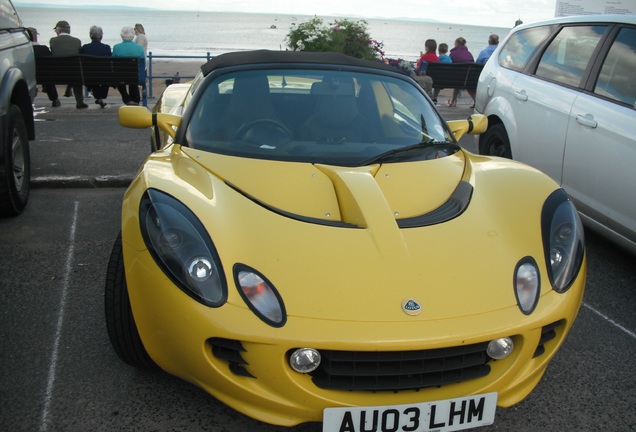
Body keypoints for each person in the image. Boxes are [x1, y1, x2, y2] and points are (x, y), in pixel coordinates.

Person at [49, 20, 88, 109]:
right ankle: (79, 101)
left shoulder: (53, 41)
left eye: (56, 30)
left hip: (56, 74)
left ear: (58, 30)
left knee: (66, 70)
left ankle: (55, 100)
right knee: (75, 72)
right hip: (74, 74)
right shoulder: (77, 41)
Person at [28, 27, 61, 107]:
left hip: (28, 77)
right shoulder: (44, 49)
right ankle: (54, 99)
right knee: (47, 73)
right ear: (35, 37)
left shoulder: (23, 51)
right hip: (45, 76)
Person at [80, 25, 112, 108]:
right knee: (103, 75)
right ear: (101, 36)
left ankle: (99, 98)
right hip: (104, 77)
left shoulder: (85, 48)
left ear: (90, 36)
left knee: (93, 75)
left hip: (89, 77)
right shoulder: (106, 48)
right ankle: (100, 97)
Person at [113, 26, 146, 106]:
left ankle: (126, 98)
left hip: (120, 76)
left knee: (120, 77)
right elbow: (143, 63)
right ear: (133, 35)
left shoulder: (116, 47)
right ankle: (135, 100)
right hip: (136, 76)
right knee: (133, 75)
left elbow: (113, 62)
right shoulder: (139, 48)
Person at [446, 37, 475, 107]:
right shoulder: (469, 54)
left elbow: (449, 65)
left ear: (456, 43)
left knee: (457, 80)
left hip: (457, 78)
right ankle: (476, 101)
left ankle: (452, 101)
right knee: (466, 83)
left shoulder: (453, 53)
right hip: (468, 78)